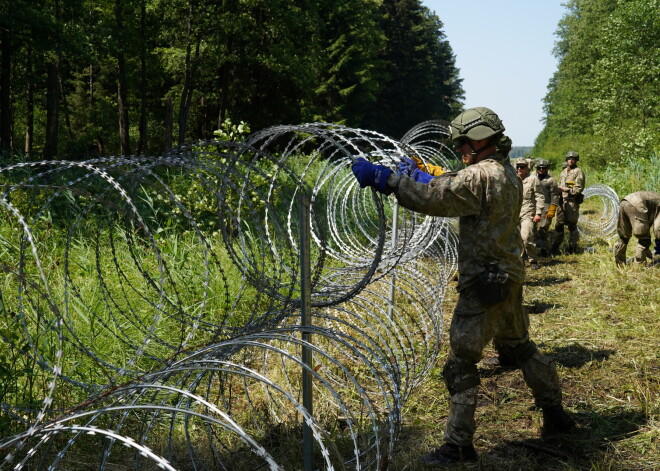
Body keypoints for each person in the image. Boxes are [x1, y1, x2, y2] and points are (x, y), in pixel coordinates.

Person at [351, 107, 574, 466]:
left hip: (482, 284)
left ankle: (458, 446)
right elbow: (451, 184)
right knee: (521, 348)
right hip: (510, 276)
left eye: (463, 143)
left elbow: (437, 198)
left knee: (460, 364)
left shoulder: (479, 175)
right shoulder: (506, 171)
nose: (460, 150)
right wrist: (422, 175)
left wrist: (389, 180)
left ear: (480, 139)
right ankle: (557, 414)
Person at [550, 151, 585, 254]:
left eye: (573, 159)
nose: (571, 160)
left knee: (572, 226)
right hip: (562, 202)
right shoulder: (564, 172)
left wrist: (565, 189)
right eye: (569, 158)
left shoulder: (579, 172)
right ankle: (555, 246)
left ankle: (572, 247)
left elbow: (578, 189)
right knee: (559, 225)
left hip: (572, 203)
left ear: (576, 160)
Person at [612, 191, 660, 266]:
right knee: (644, 240)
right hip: (638, 205)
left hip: (625, 201)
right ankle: (639, 265)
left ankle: (619, 263)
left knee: (624, 237)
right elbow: (658, 229)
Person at [516, 158, 545, 269]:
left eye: (522, 166)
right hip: (515, 213)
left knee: (526, 236)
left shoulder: (533, 179)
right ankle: (520, 260)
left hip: (528, 212)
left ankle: (533, 259)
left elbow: (539, 196)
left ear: (527, 167)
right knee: (517, 239)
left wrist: (538, 213)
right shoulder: (513, 179)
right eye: (518, 166)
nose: (519, 169)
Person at [535, 158, 560, 257]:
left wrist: (552, 209)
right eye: (539, 168)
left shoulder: (551, 180)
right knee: (532, 230)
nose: (541, 170)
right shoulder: (534, 178)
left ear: (547, 169)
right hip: (535, 206)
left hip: (546, 207)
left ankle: (544, 250)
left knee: (543, 230)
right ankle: (536, 248)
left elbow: (555, 196)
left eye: (543, 168)